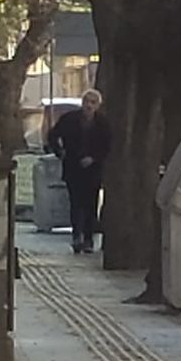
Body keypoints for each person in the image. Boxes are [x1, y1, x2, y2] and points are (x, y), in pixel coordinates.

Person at [48, 89, 111, 254]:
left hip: (93, 169)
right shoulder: (69, 119)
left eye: (93, 102)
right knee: (75, 203)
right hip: (73, 167)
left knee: (91, 204)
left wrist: (94, 158)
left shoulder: (103, 123)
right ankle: (77, 236)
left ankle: (88, 239)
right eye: (86, 102)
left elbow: (108, 145)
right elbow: (53, 135)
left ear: (98, 105)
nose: (89, 106)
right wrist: (60, 152)